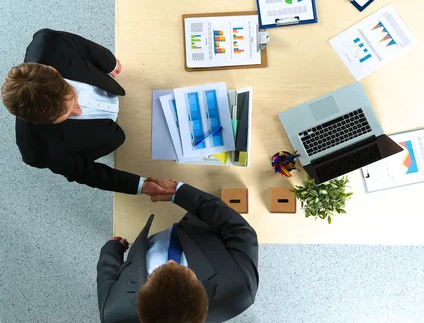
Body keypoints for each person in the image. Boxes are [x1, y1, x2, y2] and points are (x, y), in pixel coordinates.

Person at [1, 28, 175, 197]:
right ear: (38, 122)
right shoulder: (38, 151)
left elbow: (84, 47)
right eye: (68, 115)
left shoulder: (49, 43)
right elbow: (86, 173)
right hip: (105, 135)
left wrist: (110, 63)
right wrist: (141, 186)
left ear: (53, 70)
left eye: (73, 99)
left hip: (117, 87)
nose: (79, 111)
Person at [96, 180, 259, 323]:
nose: (171, 262)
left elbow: (107, 276)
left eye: (154, 274)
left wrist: (111, 249)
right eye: (187, 272)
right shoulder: (241, 288)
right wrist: (180, 192)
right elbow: (239, 231)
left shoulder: (114, 312)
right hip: (199, 225)